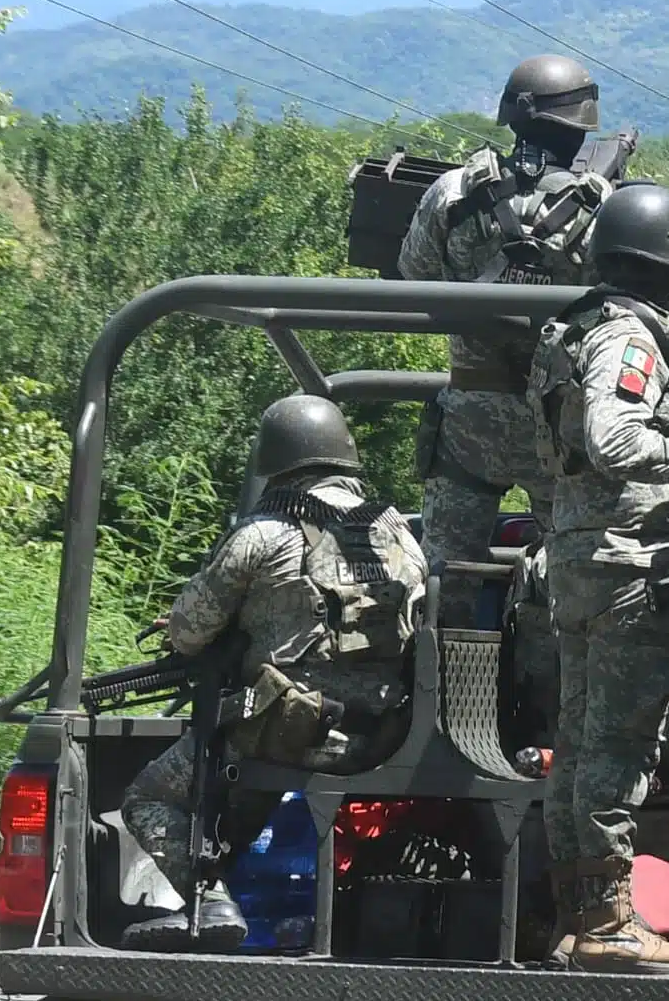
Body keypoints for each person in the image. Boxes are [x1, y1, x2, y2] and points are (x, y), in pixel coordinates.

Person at [531, 181, 669, 971]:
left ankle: (583, 913)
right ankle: (607, 923)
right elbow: (613, 432)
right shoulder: (624, 339)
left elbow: (636, 327)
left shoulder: (581, 324)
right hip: (628, 567)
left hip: (581, 562)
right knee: (617, 747)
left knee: (581, 739)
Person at [112, 393, 430, 950]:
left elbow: (189, 633)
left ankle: (211, 898)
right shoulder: (402, 535)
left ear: (277, 461)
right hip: (383, 735)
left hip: (284, 736)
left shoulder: (261, 533)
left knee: (149, 796)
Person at [403, 56, 627, 572]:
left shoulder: (453, 191)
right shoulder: (606, 208)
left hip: (467, 417)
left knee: (444, 574)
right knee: (567, 573)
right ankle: (542, 648)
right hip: (557, 425)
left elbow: (411, 274)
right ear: (578, 130)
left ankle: (440, 648)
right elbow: (621, 306)